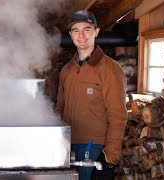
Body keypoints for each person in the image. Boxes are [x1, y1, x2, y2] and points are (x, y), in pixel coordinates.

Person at [56, 10, 127, 180]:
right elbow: (59, 109)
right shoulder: (67, 70)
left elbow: (118, 115)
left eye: (87, 29)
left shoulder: (110, 69)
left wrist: (109, 157)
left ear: (96, 32)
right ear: (71, 35)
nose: (81, 35)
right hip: (66, 146)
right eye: (75, 30)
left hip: (93, 148)